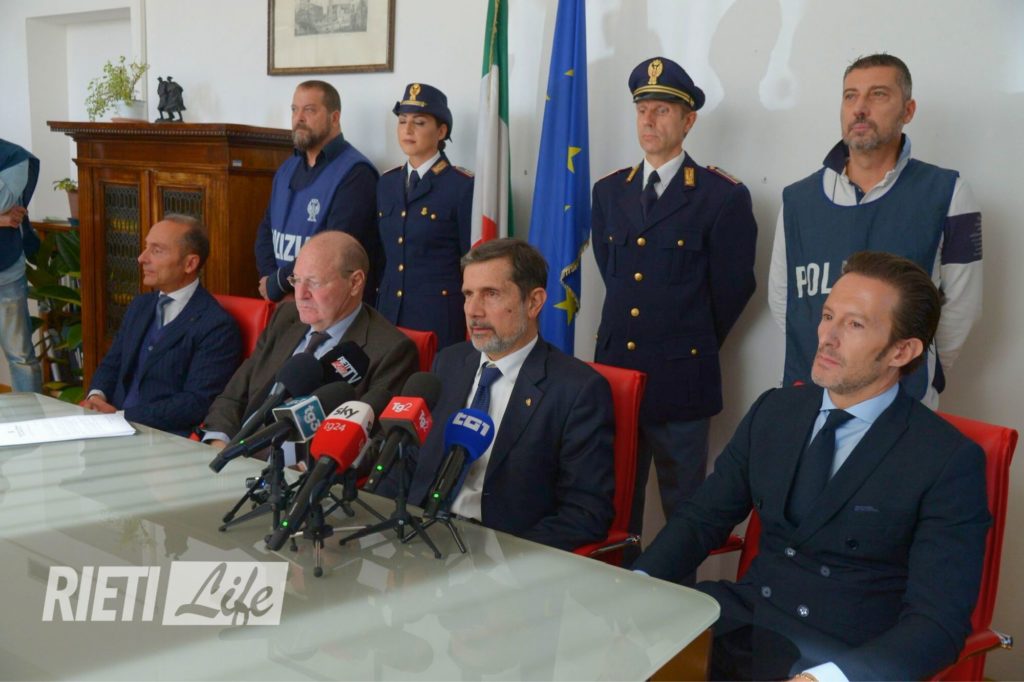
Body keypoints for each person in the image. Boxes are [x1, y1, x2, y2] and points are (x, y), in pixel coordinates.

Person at [633, 251, 990, 681]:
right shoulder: (774, 410)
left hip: (840, 656)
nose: (827, 337)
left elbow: (938, 623)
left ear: (902, 350)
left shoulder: (947, 459)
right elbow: (700, 520)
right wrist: (638, 583)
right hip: (743, 622)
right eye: (827, 316)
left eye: (854, 325)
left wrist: (829, 678)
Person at [591, 57, 757, 558]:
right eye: (642, 109)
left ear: (688, 121)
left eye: (662, 110)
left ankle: (677, 602)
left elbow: (733, 289)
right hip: (617, 375)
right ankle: (615, 593)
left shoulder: (721, 196)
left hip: (681, 378)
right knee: (613, 509)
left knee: (685, 512)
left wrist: (687, 341)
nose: (649, 119)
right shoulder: (608, 191)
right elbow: (613, 276)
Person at [769, 53, 982, 409]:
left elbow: (962, 306)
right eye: (850, 96)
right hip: (808, 394)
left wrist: (920, 370)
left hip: (902, 401)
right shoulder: (797, 199)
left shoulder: (949, 192)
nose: (860, 108)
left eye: (878, 94)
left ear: (908, 110)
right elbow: (785, 299)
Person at [398, 238, 615, 551]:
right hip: (418, 537)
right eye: (468, 294)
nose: (473, 311)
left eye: (491, 294)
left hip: (500, 552)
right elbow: (408, 459)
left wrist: (504, 559)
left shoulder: (577, 390)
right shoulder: (449, 362)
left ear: (534, 302)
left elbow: (585, 513)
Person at [203, 231, 418, 446]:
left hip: (302, 464)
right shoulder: (285, 317)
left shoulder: (390, 350)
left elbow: (374, 443)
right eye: (296, 280)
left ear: (355, 283)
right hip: (235, 451)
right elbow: (233, 396)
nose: (300, 294)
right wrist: (218, 443)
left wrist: (306, 464)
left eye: (314, 283)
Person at [80, 215, 241, 436]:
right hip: (109, 426)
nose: (141, 258)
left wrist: (121, 416)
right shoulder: (140, 305)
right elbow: (112, 364)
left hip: (162, 437)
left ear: (190, 263)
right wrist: (97, 397)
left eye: (157, 250)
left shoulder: (216, 325)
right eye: (146, 247)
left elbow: (196, 402)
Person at [253, 80, 381, 304]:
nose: (299, 118)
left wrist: (281, 284)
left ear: (334, 118)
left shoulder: (356, 173)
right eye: (294, 110)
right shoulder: (286, 169)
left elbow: (335, 249)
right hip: (282, 304)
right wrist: (270, 281)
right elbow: (266, 230)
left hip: (328, 307)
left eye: (309, 110)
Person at [376, 82, 473, 349]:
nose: (407, 129)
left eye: (419, 122)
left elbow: (471, 260)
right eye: (402, 121)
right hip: (389, 313)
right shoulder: (387, 183)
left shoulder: (461, 186)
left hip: (437, 317)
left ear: (441, 131)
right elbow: (381, 255)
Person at [0, 139, 43, 393]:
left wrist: (4, 215)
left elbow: (3, 201)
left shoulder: (14, 157)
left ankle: (31, 416)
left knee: (20, 357)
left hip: (5, 272)